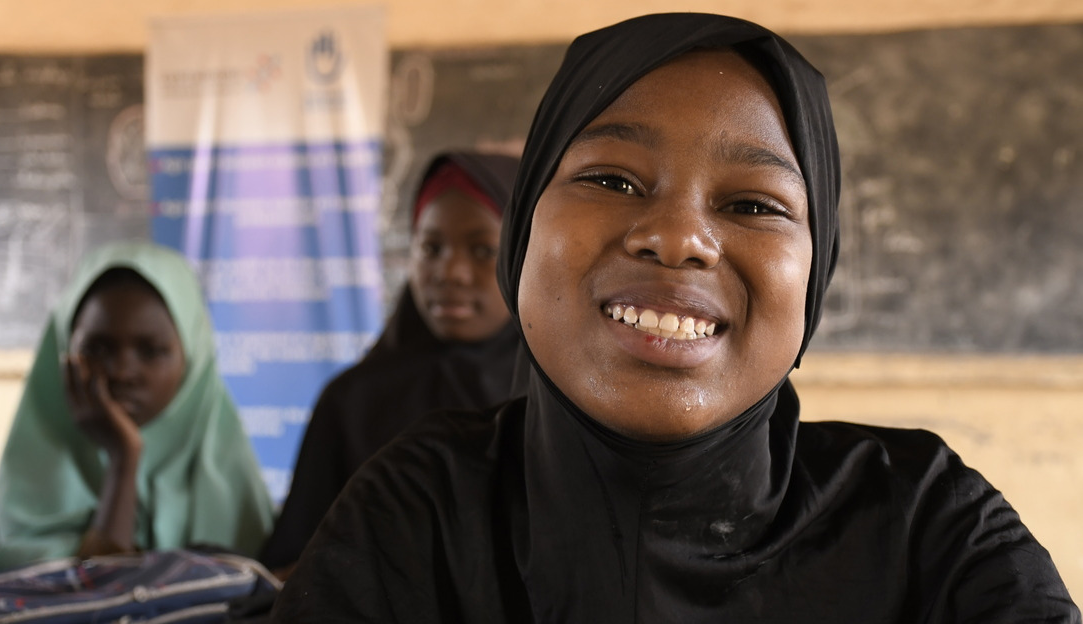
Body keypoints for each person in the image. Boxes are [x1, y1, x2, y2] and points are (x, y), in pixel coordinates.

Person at [270, 13, 1080, 622]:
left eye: (754, 203)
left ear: (817, 268)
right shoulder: (419, 515)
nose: (678, 238)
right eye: (613, 181)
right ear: (524, 237)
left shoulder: (925, 528)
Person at [258, 151, 525, 573]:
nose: (450, 272)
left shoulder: (558, 401)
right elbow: (296, 568)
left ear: (524, 257)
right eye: (431, 247)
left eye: (482, 250)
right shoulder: (352, 402)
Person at [0, 241, 274, 573]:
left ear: (192, 361)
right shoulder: (30, 484)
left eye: (151, 351)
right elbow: (83, 599)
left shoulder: (228, 476)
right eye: (97, 348)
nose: (121, 372)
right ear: (63, 352)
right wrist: (123, 460)